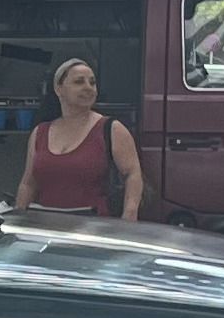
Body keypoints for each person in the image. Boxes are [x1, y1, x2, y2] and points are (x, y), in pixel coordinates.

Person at [17, 57, 145, 219]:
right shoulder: (40, 133)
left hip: (91, 230)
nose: (88, 88)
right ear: (59, 89)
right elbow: (28, 184)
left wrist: (129, 215)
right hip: (45, 227)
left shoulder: (112, 129)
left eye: (92, 82)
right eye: (79, 82)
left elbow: (133, 174)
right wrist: (18, 219)